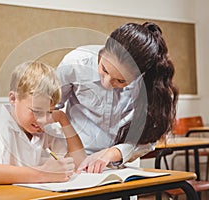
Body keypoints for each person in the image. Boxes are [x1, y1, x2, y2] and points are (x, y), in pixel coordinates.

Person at [56, 22, 179, 173]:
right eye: (104, 69)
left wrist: (113, 153)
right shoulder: (75, 63)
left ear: (140, 75)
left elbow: (149, 138)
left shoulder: (151, 85)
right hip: (76, 161)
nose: (107, 84)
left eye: (121, 81)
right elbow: (49, 108)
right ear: (102, 53)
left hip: (121, 166)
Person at [0, 61, 86, 184]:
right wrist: (44, 173)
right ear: (13, 99)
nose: (42, 120)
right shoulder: (1, 127)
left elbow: (79, 162)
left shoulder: (45, 127)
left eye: (49, 112)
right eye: (36, 111)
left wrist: (63, 119)